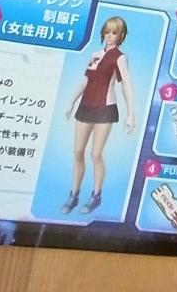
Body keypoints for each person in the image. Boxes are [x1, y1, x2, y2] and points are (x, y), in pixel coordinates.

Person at [61, 16, 135, 215]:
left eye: (114, 32)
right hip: (85, 106)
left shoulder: (120, 57)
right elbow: (86, 80)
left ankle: (96, 196)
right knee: (78, 151)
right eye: (107, 32)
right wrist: (72, 101)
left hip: (105, 108)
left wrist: (131, 114)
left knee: (95, 154)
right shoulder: (95, 54)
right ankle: (74, 195)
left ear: (121, 35)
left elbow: (126, 84)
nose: (110, 36)